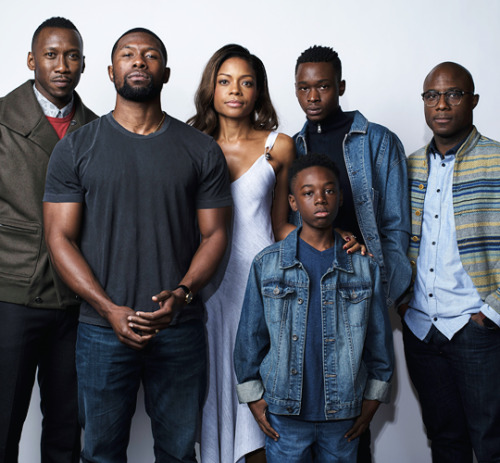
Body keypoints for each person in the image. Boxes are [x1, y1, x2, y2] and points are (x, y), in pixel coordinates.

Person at [43, 28, 232, 462]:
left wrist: (182, 296)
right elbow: (60, 238)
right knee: (101, 454)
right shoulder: (76, 149)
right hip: (101, 330)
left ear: (165, 73)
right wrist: (109, 309)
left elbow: (215, 234)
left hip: (179, 329)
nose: (139, 61)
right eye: (128, 54)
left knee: (179, 452)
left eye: (150, 55)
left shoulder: (200, 150)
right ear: (111, 71)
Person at [234, 154, 394, 463]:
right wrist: (254, 399)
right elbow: (249, 339)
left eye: (328, 190)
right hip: (285, 415)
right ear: (293, 202)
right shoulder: (267, 265)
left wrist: (373, 401)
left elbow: (379, 344)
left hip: (343, 415)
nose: (320, 199)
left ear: (340, 197)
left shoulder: (363, 268)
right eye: (308, 193)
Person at [292, 46, 411, 461]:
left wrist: (379, 281)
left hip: (360, 292)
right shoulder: (295, 144)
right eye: (304, 87)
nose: (313, 97)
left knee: (353, 417)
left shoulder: (377, 140)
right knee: (308, 398)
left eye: (323, 86)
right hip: (309, 291)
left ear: (340, 87)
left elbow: (396, 227)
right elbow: (295, 223)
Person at [188, 43, 294, 463]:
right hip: (208, 288)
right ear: (211, 88)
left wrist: (334, 239)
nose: (236, 90)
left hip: (264, 287)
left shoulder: (279, 145)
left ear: (259, 91)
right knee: (213, 390)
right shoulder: (189, 143)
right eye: (225, 81)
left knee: (260, 397)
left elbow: (282, 222)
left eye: (246, 82)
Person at [0, 17, 97, 462]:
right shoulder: (2, 119)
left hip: (74, 303)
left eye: (71, 55)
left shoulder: (98, 130)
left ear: (83, 64)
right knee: (4, 423)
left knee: (65, 430)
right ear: (31, 61)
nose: (62, 65)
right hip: (11, 296)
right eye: (51, 55)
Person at [399, 62, 500, 463]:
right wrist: (403, 302)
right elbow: (394, 239)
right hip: (422, 330)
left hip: (477, 329)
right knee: (444, 444)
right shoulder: (408, 166)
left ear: (473, 100)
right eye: (431, 96)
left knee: (491, 445)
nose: (441, 105)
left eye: (453, 94)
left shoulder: (496, 160)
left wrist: (492, 312)